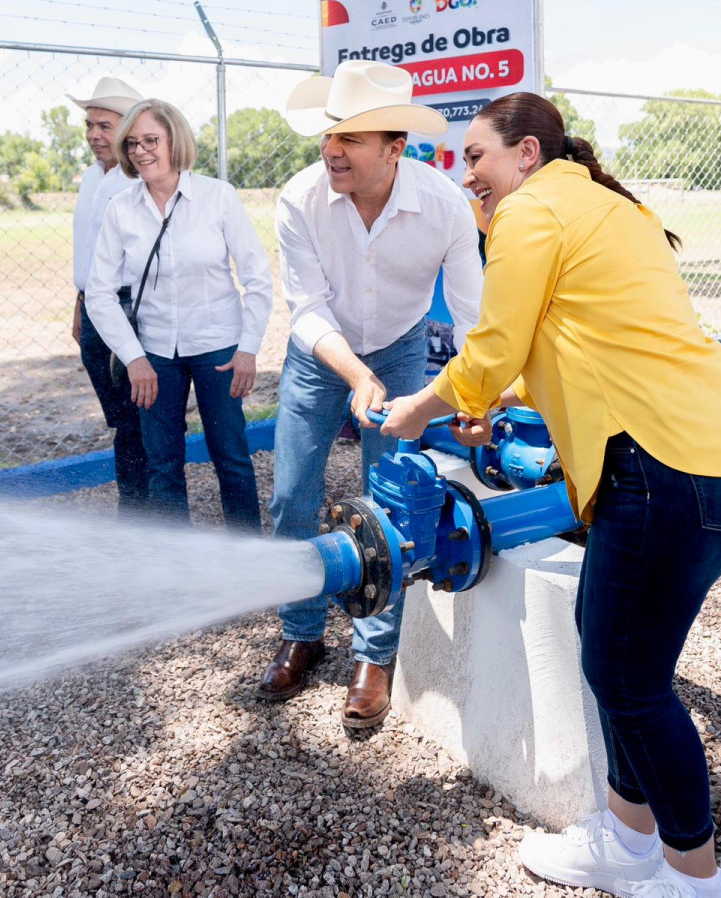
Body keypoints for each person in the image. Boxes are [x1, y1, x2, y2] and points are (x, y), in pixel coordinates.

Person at [379, 92, 721, 898]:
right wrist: (493, 405)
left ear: (527, 154)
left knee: (630, 681)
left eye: (477, 157)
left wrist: (420, 406)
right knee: (616, 660)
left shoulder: (533, 212)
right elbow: (571, 346)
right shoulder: (607, 207)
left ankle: (694, 876)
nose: (468, 177)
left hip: (662, 469)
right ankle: (629, 840)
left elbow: (492, 348)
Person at [261, 61, 483, 730]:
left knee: (393, 505)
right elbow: (306, 310)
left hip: (402, 347)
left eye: (352, 137)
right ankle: (301, 630)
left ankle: (374, 656)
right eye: (330, 132)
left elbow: (475, 316)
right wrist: (356, 374)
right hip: (320, 356)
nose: (332, 148)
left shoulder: (445, 206)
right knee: (292, 495)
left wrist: (476, 399)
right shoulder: (299, 199)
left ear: (396, 148)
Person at [85, 99, 272, 531]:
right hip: (153, 356)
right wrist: (134, 358)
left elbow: (258, 279)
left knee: (231, 456)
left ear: (175, 141)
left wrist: (248, 350)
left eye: (151, 140)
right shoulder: (122, 208)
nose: (141, 151)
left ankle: (246, 552)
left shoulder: (217, 197)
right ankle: (181, 564)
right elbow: (99, 294)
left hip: (219, 348)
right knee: (162, 464)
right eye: (132, 143)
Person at [66, 75, 150, 513]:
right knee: (120, 417)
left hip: (128, 306)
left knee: (137, 416)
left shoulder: (140, 179)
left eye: (105, 125)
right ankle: (136, 504)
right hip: (93, 305)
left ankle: (142, 512)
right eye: (89, 125)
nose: (95, 135)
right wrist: (79, 303)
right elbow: (86, 248)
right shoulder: (90, 178)